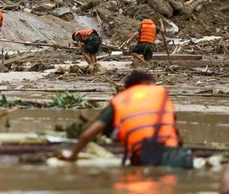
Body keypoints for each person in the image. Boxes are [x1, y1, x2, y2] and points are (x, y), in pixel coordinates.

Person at [63, 71, 192, 168]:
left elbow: (87, 134)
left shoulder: (121, 100)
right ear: (145, 83)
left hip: (147, 158)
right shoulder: (161, 96)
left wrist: (72, 156)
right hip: (180, 157)